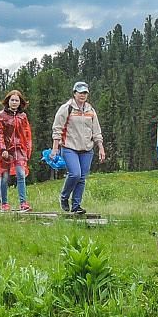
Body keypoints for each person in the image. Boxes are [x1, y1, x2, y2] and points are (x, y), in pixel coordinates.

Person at [50, 82, 105, 216]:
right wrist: (55, 148)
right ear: (74, 93)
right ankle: (64, 197)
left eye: (85, 93)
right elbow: (57, 128)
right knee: (75, 174)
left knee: (82, 178)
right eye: (80, 92)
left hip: (87, 148)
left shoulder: (90, 110)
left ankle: (76, 206)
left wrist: (101, 148)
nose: (82, 95)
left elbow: (96, 131)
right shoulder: (66, 108)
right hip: (70, 147)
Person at [0, 90, 33, 211]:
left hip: (20, 149)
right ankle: (4, 203)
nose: (14, 102)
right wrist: (2, 148)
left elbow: (27, 133)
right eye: (12, 100)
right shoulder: (2, 116)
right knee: (5, 176)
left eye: (17, 100)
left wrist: (27, 149)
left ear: (20, 102)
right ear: (7, 101)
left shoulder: (22, 116)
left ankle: (23, 202)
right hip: (6, 150)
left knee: (21, 174)